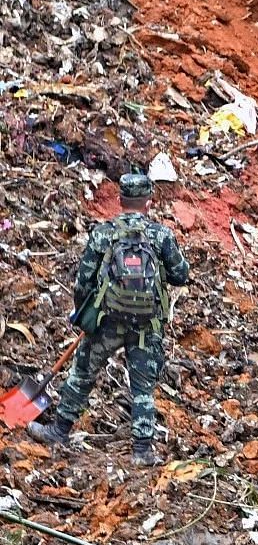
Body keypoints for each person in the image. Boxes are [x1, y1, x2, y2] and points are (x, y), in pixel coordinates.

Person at [26, 174, 190, 466]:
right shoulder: (160, 234)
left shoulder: (104, 233)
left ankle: (58, 431)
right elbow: (181, 275)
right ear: (149, 203)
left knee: (83, 374)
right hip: (147, 326)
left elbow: (83, 281)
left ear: (119, 200)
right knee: (142, 387)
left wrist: (84, 314)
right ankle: (142, 451)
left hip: (106, 322)